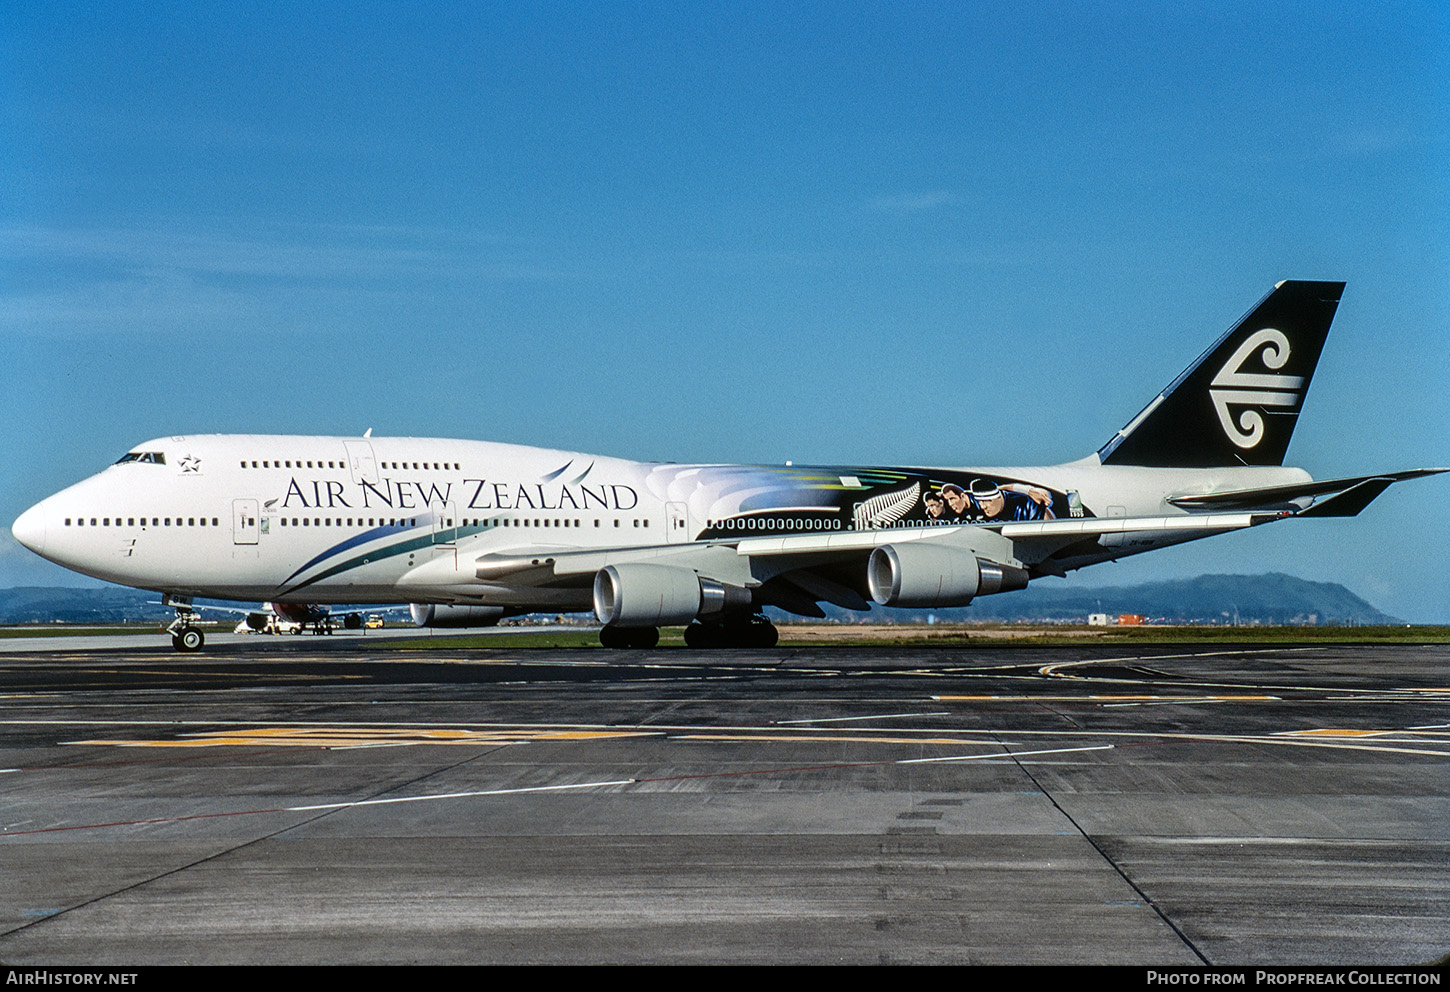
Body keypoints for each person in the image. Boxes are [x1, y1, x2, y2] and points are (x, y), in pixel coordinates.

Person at [968, 479, 1056, 521]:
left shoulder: (1026, 504)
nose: (983, 507)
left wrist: (1027, 490)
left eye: (988, 501)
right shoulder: (974, 504)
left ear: (999, 497)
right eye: (980, 502)